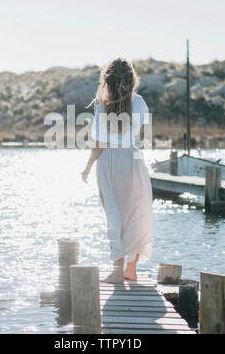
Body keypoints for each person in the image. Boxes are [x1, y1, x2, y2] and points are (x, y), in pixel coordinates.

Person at [81, 57, 153, 284]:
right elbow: (139, 132)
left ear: (107, 80)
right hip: (132, 157)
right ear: (132, 79)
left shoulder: (102, 106)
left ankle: (116, 270)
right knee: (135, 212)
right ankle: (131, 268)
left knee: (113, 214)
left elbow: (99, 144)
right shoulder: (140, 102)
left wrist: (87, 167)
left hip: (108, 159)